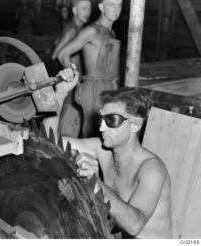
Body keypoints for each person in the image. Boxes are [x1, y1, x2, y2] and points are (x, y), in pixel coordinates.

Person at [43, 66, 172, 238]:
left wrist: (96, 183)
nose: (102, 127)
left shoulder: (152, 169)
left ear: (135, 125)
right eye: (101, 118)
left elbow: (135, 225)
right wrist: (59, 93)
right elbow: (48, 142)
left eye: (111, 120)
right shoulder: (102, 149)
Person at [57, 0, 122, 137]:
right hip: (93, 89)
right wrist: (77, 82)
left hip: (110, 88)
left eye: (119, 5)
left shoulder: (111, 33)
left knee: (107, 133)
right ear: (101, 7)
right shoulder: (92, 30)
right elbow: (63, 54)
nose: (116, 9)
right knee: (91, 135)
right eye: (112, 4)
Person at [52, 0, 92, 138]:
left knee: (76, 119)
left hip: (76, 79)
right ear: (74, 11)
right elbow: (55, 55)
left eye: (89, 9)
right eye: (84, 9)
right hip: (70, 80)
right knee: (69, 119)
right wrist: (71, 73)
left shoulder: (81, 29)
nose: (87, 12)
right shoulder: (71, 29)